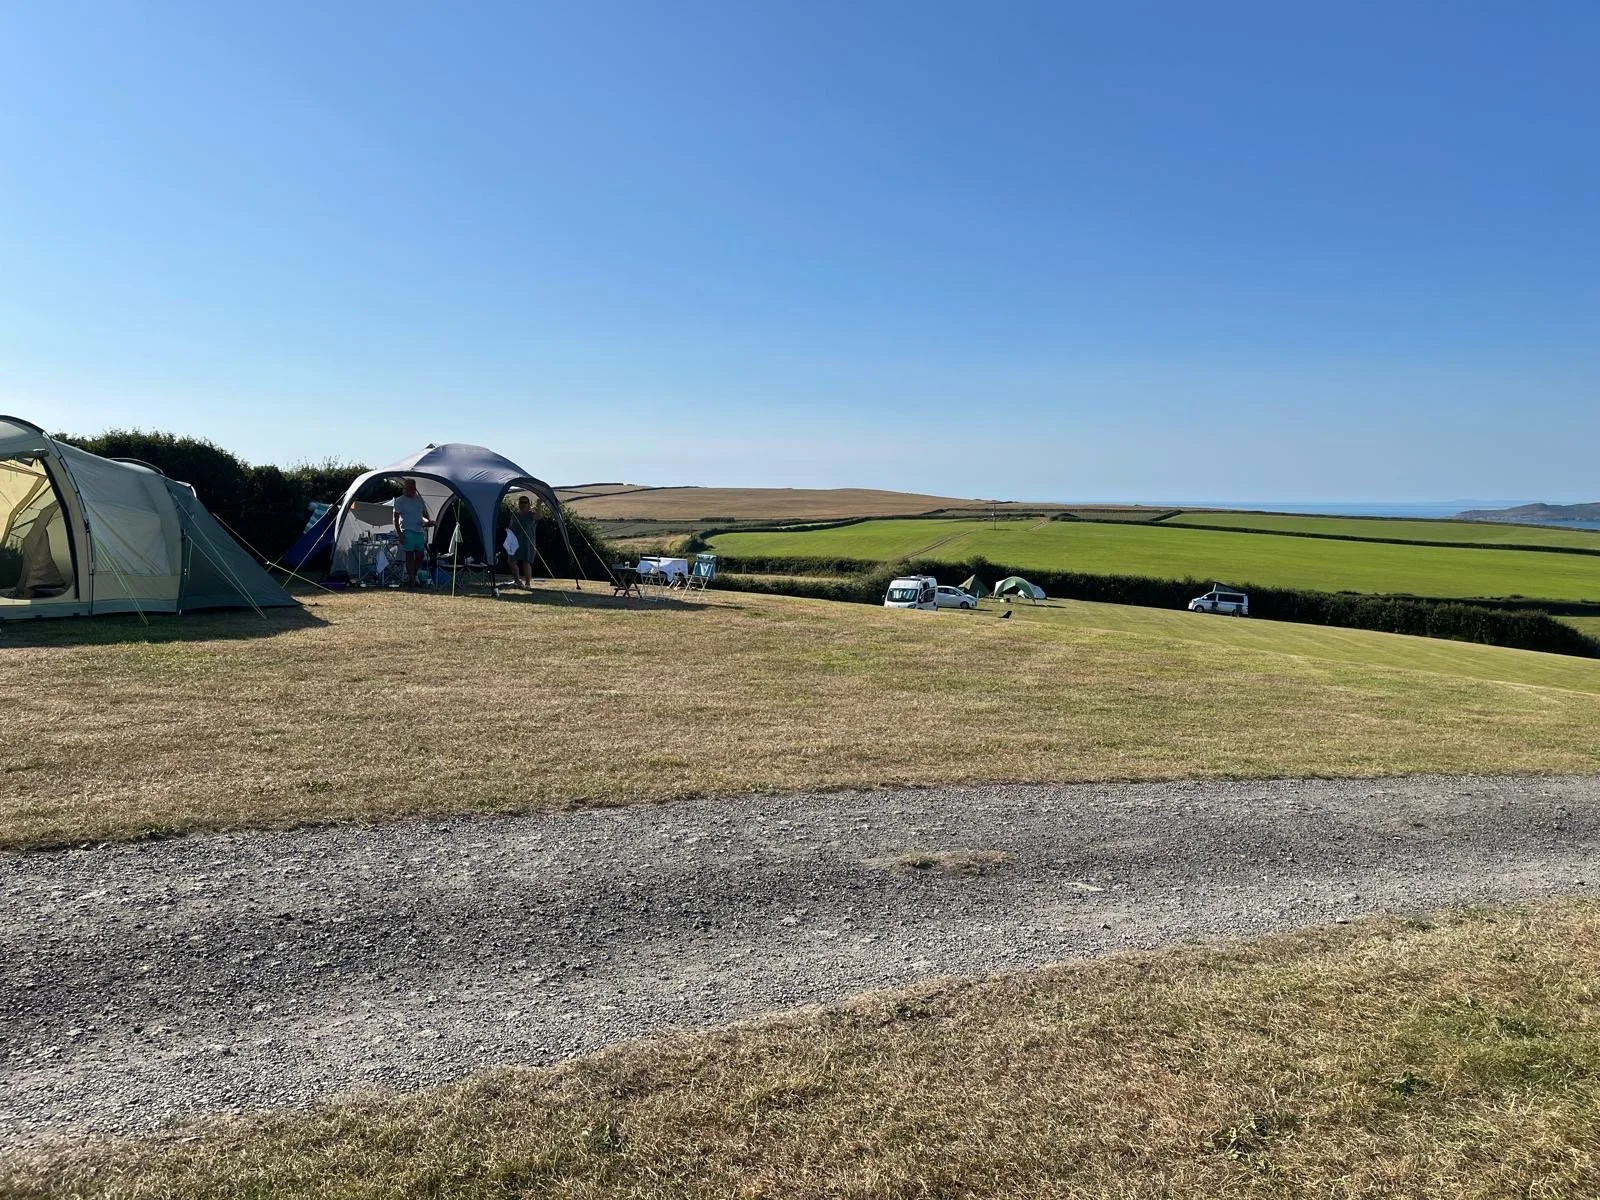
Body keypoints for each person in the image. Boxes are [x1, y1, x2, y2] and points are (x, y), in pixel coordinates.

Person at [391, 478, 433, 586]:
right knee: (409, 555)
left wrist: (427, 522)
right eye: (409, 487)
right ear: (404, 488)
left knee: (420, 555)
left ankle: (413, 576)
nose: (411, 489)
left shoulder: (419, 499)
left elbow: (422, 516)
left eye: (413, 487)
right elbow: (395, 519)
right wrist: (400, 534)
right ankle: (412, 579)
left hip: (419, 531)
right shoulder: (400, 501)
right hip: (407, 530)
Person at [508, 494, 539, 588]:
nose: (523, 504)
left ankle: (528, 584)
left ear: (529, 504)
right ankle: (517, 581)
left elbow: (539, 516)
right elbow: (511, 527)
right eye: (521, 502)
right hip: (515, 541)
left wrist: (539, 504)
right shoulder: (515, 515)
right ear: (519, 503)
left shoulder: (531, 514)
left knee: (526, 562)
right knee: (511, 561)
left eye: (526, 502)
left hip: (527, 541)